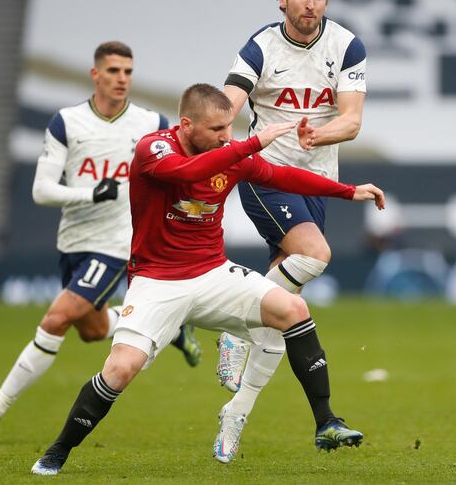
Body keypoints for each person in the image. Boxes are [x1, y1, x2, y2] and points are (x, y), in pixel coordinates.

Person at [30, 83, 384, 475]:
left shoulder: (227, 153)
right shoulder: (155, 149)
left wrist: (349, 191)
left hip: (213, 273)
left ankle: (326, 422)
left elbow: (284, 176)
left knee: (293, 308)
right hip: (157, 282)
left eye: (230, 127)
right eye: (217, 129)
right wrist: (249, 145)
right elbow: (187, 172)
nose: (226, 136)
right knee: (120, 370)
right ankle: (58, 451)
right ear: (186, 125)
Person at [0, 41, 201, 435]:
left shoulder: (152, 123)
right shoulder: (66, 122)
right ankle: (170, 329)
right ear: (95, 74)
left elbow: (179, 174)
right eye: (114, 71)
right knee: (93, 330)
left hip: (119, 243)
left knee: (56, 318)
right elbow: (42, 191)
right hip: (74, 241)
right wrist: (91, 192)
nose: (122, 79)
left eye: (128, 72)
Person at [214, 0, 367, 460]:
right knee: (315, 254)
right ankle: (238, 325)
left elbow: (352, 120)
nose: (311, 4)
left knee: (282, 313)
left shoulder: (346, 45)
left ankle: (235, 416)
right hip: (265, 174)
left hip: (316, 182)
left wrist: (316, 134)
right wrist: (215, 139)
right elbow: (227, 106)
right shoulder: (260, 47)